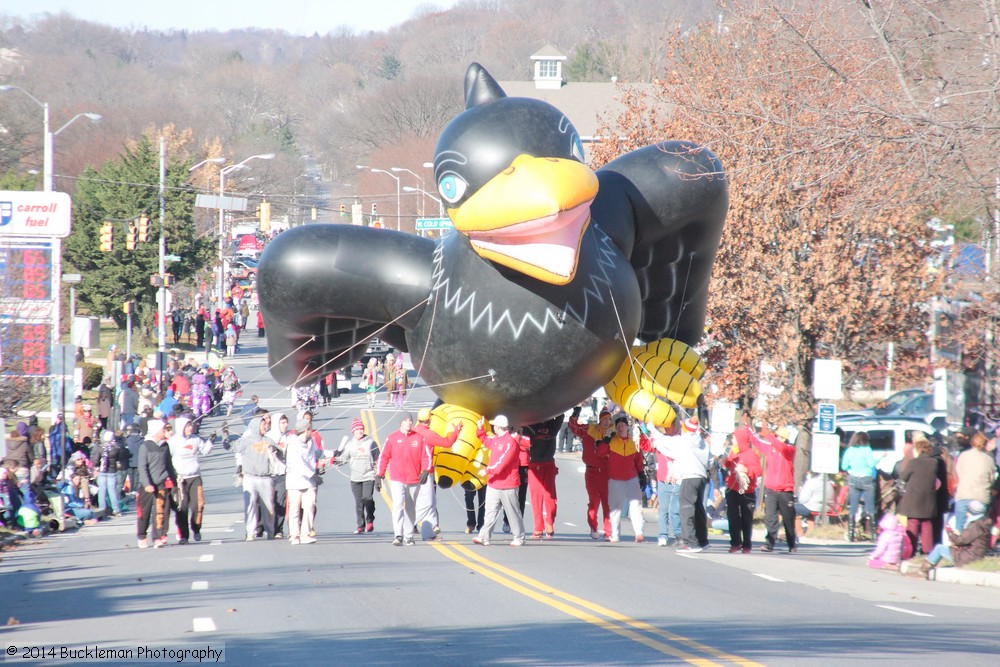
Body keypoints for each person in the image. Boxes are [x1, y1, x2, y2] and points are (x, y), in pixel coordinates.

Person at [648, 416, 710, 552]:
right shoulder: (702, 443)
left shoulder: (684, 441)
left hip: (688, 478)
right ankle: (702, 540)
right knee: (698, 509)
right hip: (700, 478)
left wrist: (652, 429)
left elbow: (664, 441)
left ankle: (691, 542)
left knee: (686, 510)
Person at [377, 412, 431, 546]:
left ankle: (409, 536)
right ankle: (398, 535)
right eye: (406, 420)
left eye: (411, 420)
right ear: (401, 422)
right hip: (397, 479)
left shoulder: (419, 438)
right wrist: (379, 475)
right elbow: (383, 457)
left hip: (414, 479)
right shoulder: (392, 438)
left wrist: (425, 470)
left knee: (410, 508)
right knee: (398, 505)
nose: (409, 423)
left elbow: (426, 456)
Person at [473, 415, 526, 547]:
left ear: (498, 427)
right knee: (490, 511)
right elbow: (485, 440)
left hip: (508, 484)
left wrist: (487, 470)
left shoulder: (510, 442)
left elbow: (502, 464)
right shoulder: (496, 439)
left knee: (513, 512)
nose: (493, 427)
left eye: (494, 425)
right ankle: (484, 536)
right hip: (494, 484)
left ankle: (519, 537)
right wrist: (480, 429)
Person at [411, 408, 463, 541]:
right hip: (425, 472)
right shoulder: (428, 434)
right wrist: (456, 431)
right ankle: (408, 524)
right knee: (427, 502)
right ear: (429, 420)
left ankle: (428, 533)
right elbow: (447, 443)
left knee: (431, 502)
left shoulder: (413, 432)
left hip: (414, 471)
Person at [225, 412, 278, 541]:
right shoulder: (245, 441)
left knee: (269, 506)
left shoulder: (269, 441)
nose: (266, 426)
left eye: (266, 424)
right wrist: (225, 436)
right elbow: (230, 447)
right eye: (263, 424)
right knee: (250, 505)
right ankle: (250, 532)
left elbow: (280, 454)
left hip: (266, 478)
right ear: (256, 426)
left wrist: (276, 451)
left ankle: (270, 531)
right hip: (250, 478)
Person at [568, 405, 611, 540]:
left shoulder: (612, 433)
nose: (607, 422)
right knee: (593, 502)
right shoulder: (590, 430)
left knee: (607, 503)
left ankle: (609, 532)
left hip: (606, 473)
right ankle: (593, 526)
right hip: (591, 471)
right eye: (605, 419)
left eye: (609, 419)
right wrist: (575, 414)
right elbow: (574, 428)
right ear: (600, 420)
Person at [168, 417, 214, 544]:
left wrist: (210, 441)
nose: (190, 428)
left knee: (198, 504)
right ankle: (183, 535)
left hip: (195, 477)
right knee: (182, 507)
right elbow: (168, 458)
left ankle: (196, 528)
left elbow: (205, 451)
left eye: (191, 426)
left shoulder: (195, 439)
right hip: (180, 479)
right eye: (188, 426)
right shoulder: (173, 442)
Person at [897, 434, 944, 556]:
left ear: (917, 449)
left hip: (914, 499)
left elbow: (904, 477)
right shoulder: (935, 463)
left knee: (913, 523)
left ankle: (911, 550)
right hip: (929, 500)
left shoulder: (914, 462)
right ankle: (927, 551)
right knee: (927, 524)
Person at [920, 500, 993, 578]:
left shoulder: (975, 526)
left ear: (971, 513)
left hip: (968, 557)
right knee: (946, 548)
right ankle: (925, 569)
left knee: (939, 548)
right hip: (976, 555)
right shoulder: (984, 524)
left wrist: (949, 531)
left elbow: (959, 541)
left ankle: (923, 571)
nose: (967, 513)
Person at [755, 425, 798, 553]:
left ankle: (792, 542)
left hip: (785, 490)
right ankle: (769, 543)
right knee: (770, 517)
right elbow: (758, 442)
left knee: (788, 519)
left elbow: (781, 447)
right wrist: (748, 429)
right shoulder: (770, 448)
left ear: (784, 438)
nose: (776, 438)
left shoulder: (789, 449)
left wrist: (769, 435)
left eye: (778, 436)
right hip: (771, 489)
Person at [604, 415, 646, 543]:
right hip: (615, 479)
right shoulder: (611, 442)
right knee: (616, 508)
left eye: (623, 425)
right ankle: (615, 534)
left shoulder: (633, 443)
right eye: (618, 426)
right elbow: (600, 453)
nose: (620, 428)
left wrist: (641, 474)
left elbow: (638, 460)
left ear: (628, 427)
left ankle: (639, 532)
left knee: (636, 505)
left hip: (631, 479)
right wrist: (605, 441)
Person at [334, 418, 380, 533]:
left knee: (367, 498)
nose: (360, 431)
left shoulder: (371, 442)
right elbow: (343, 459)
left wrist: (379, 474)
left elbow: (378, 458)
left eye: (361, 429)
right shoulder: (350, 445)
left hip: (369, 475)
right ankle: (360, 525)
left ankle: (370, 518)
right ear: (353, 431)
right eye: (357, 429)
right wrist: (334, 460)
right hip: (355, 478)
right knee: (359, 502)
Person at [720, 432, 763, 553]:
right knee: (732, 517)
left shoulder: (751, 454)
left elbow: (758, 471)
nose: (733, 442)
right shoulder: (734, 451)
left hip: (747, 491)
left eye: (734, 439)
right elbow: (728, 463)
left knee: (746, 518)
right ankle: (735, 543)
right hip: (732, 488)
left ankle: (746, 545)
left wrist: (746, 470)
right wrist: (725, 460)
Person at [136, 420, 176, 548]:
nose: (164, 431)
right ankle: (142, 535)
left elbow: (169, 466)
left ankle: (157, 537)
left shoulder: (165, 446)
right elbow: (142, 467)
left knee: (161, 511)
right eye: (162, 429)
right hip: (147, 486)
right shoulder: (145, 446)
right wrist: (147, 484)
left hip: (161, 484)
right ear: (156, 431)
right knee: (145, 512)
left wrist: (174, 482)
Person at [522, 415, 562, 539]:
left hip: (549, 464)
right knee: (536, 498)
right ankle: (538, 528)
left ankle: (549, 522)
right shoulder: (529, 424)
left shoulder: (552, 424)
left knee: (550, 496)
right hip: (534, 465)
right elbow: (524, 441)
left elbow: (560, 415)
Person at [285, 417, 321, 545]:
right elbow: (298, 464)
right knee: (294, 509)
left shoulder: (311, 442)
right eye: (310, 429)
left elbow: (318, 454)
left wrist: (334, 453)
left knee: (309, 506)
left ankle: (305, 534)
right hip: (295, 482)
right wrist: (313, 475)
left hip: (309, 483)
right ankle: (294, 535)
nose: (312, 431)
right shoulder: (293, 444)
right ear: (306, 430)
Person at [953, 432, 998, 531]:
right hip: (981, 497)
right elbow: (991, 479)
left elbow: (958, 473)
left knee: (959, 529)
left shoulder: (963, 455)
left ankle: (958, 545)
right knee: (977, 530)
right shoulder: (989, 459)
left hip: (963, 494)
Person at [840, 431, 877, 541]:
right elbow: (871, 464)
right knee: (870, 507)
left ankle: (851, 534)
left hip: (853, 479)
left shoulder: (850, 450)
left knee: (853, 508)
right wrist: (880, 458)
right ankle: (873, 535)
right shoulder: (867, 450)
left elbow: (844, 466)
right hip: (867, 479)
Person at [654, 421, 682, 547]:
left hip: (677, 479)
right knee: (663, 509)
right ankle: (663, 535)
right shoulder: (659, 440)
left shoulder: (679, 440)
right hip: (663, 479)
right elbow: (647, 443)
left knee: (676, 510)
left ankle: (679, 534)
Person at [90, 430, 125, 518]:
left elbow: (95, 460)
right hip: (112, 471)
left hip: (102, 471)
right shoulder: (116, 448)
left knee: (102, 490)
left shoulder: (101, 448)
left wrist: (97, 466)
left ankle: (102, 508)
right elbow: (119, 458)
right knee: (112, 490)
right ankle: (116, 509)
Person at [793, 471, 835, 536]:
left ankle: (799, 532)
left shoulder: (812, 482)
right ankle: (810, 531)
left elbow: (802, 499)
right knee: (807, 510)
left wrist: (801, 493)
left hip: (814, 507)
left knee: (791, 508)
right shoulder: (829, 482)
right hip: (827, 507)